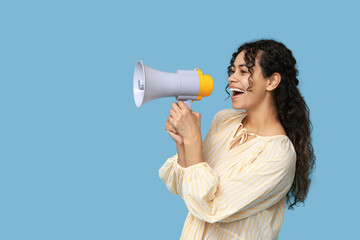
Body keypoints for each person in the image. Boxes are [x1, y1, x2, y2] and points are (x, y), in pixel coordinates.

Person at [159, 39, 315, 240]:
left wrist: (193, 139)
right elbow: (189, 190)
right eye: (232, 71)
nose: (231, 78)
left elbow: (210, 208)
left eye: (243, 71)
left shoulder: (279, 155)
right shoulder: (225, 121)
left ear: (272, 81)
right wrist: (183, 143)